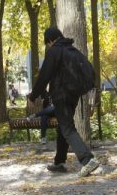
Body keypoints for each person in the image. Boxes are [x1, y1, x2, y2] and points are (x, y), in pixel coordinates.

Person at [28, 26, 100, 177]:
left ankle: (87, 160)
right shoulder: (74, 51)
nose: (48, 46)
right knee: (63, 126)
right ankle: (59, 162)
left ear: (50, 40)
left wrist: (33, 96)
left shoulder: (54, 51)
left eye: (47, 43)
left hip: (61, 95)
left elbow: (44, 76)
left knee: (67, 128)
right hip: (74, 95)